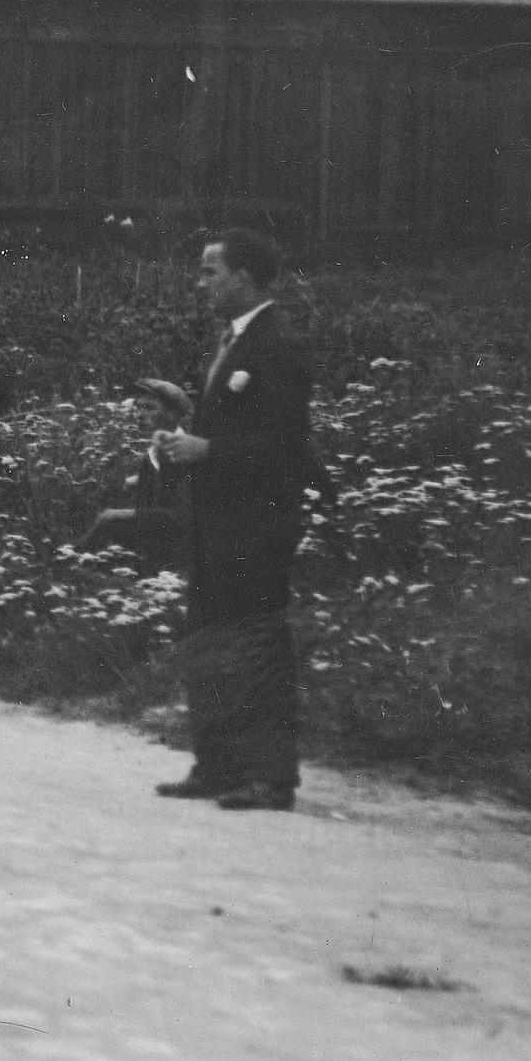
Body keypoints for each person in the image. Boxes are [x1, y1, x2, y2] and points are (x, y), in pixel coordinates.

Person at [144, 227, 313, 812]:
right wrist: (189, 421)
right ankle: (216, 765)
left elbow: (289, 451)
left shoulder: (279, 344)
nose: (201, 283)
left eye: (209, 272)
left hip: (258, 527)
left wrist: (207, 450)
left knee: (258, 645)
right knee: (211, 640)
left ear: (243, 277)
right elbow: (241, 424)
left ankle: (271, 779)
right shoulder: (233, 341)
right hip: (217, 522)